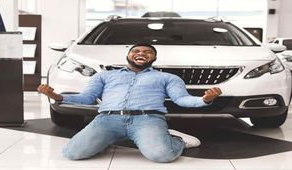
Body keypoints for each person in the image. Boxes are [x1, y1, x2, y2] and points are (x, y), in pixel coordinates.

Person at [37, 43, 222, 163]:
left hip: (147, 120)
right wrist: (57, 96)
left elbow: (181, 99)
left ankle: (177, 140)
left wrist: (204, 99)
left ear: (153, 58)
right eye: (136, 51)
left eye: (147, 52)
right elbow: (87, 98)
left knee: (162, 156)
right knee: (72, 154)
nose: (141, 53)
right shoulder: (104, 76)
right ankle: (107, 139)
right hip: (107, 121)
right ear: (129, 56)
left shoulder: (167, 77)